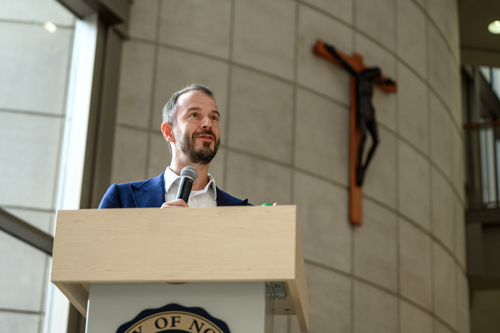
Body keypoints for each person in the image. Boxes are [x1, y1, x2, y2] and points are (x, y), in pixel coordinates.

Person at [98, 84, 251, 209]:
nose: (208, 124)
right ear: (168, 131)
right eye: (194, 115)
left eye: (213, 117)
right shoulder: (122, 199)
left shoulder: (245, 212)